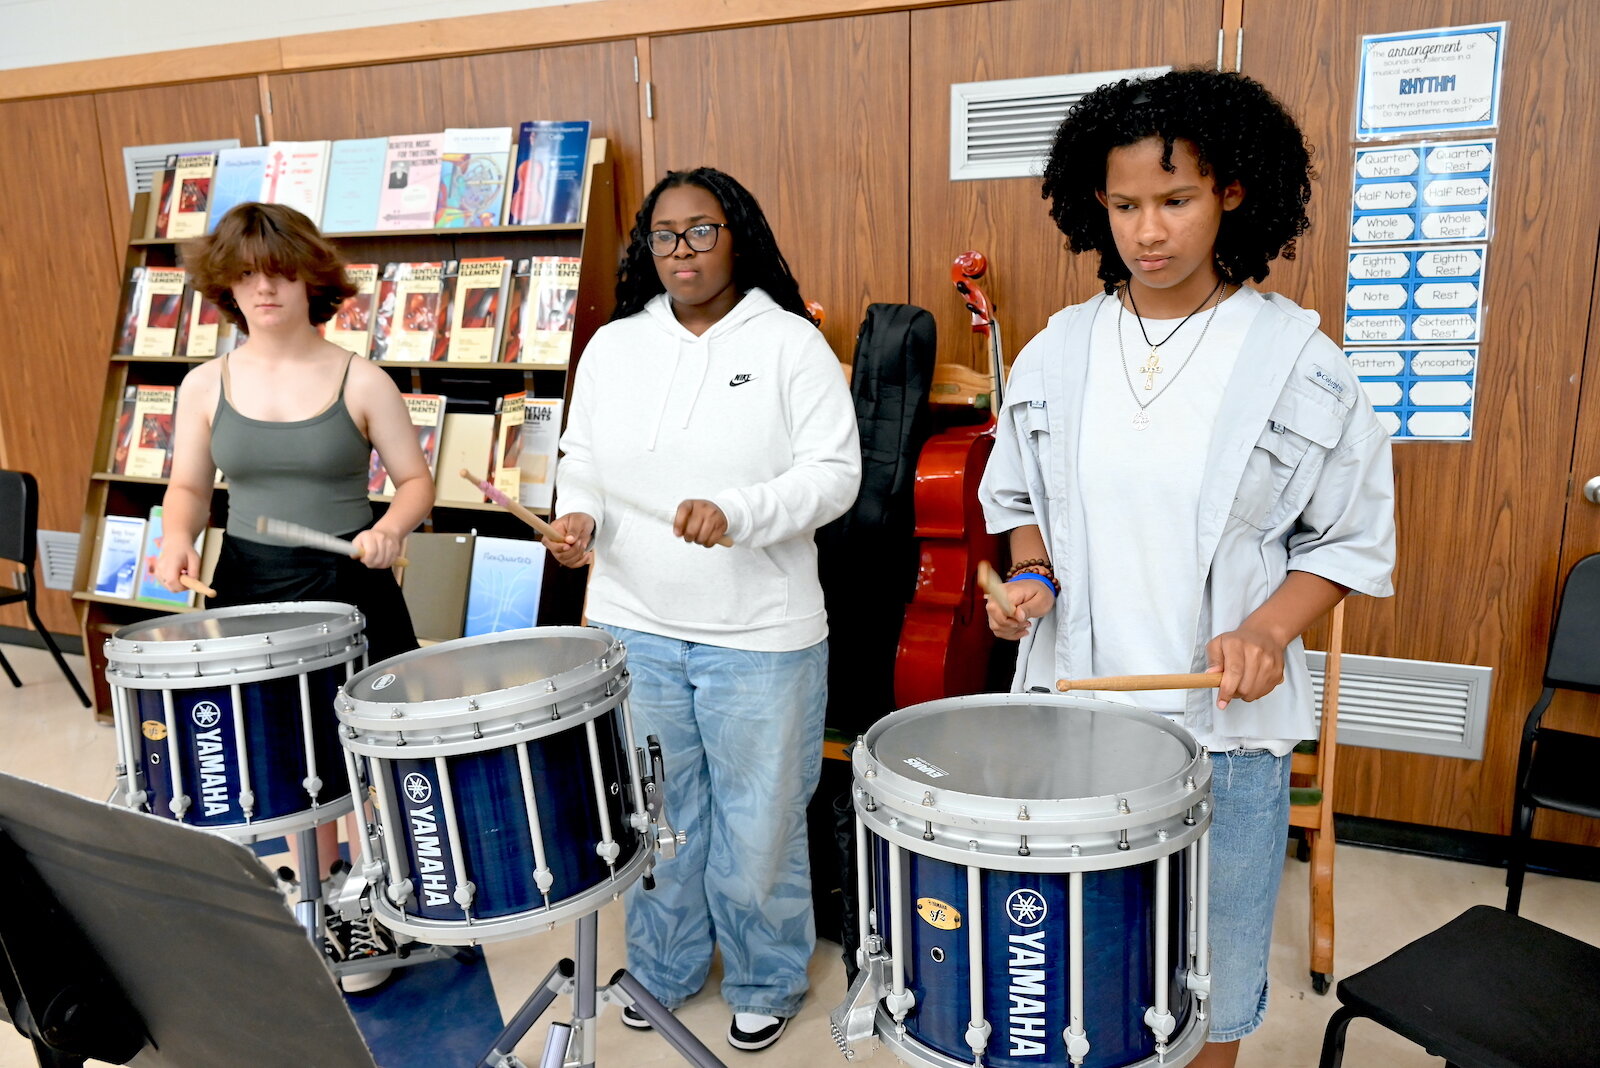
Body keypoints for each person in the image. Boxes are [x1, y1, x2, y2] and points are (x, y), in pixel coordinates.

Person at [979, 70, 1396, 1068]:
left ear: (1233, 194)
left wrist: (1266, 630)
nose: (1146, 232)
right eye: (1123, 205)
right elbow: (1021, 503)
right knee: (1082, 953)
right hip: (1076, 717)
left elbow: (1347, 539)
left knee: (1206, 971)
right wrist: (1030, 580)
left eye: (1174, 201)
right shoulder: (1057, 350)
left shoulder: (1296, 358)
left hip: (1225, 732)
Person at [543, 167, 860, 1051]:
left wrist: (740, 511)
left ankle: (766, 976)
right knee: (661, 818)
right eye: (664, 234)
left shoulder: (790, 342)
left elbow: (836, 476)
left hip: (760, 635)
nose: (681, 251)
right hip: (633, 623)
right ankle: (667, 968)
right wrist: (580, 521)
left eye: (701, 231)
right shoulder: (613, 346)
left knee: (759, 822)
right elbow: (582, 459)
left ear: (738, 233)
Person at [153, 200, 435, 988]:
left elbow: (416, 484)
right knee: (285, 755)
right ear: (226, 288)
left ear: (311, 279)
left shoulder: (361, 377)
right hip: (250, 589)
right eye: (244, 276)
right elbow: (187, 485)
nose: (263, 290)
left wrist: (393, 529)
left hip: (351, 587)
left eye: (277, 272)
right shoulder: (205, 384)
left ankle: (373, 894)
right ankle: (317, 895)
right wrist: (177, 539)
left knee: (365, 752)